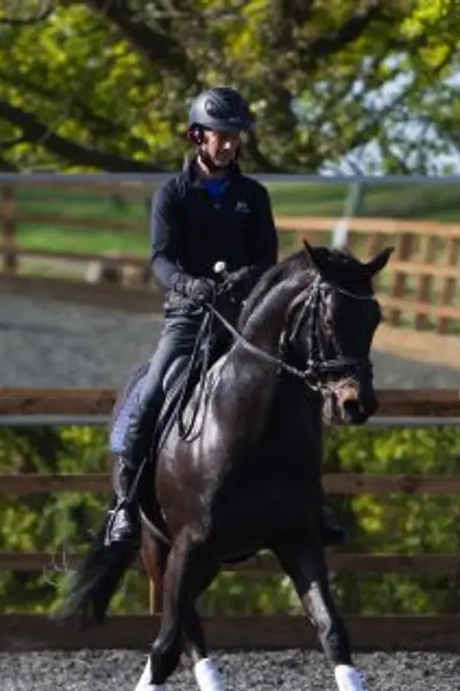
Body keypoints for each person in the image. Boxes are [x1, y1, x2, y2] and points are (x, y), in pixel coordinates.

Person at [100, 85, 350, 550]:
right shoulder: (172, 194)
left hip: (244, 319)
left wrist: (245, 278)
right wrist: (188, 284)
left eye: (235, 136)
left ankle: (315, 503)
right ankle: (124, 505)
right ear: (198, 136)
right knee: (150, 395)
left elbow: (266, 260)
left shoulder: (253, 195)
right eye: (221, 135)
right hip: (188, 317)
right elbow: (160, 259)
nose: (230, 144)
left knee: (299, 398)